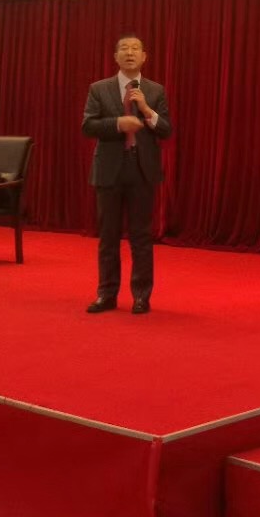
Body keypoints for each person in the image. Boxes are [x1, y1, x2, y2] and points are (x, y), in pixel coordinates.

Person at [82, 33, 172, 314]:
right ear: (116, 57)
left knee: (141, 237)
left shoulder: (155, 91)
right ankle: (106, 294)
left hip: (141, 170)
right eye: (124, 48)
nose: (129, 53)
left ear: (144, 57)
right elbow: (88, 126)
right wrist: (118, 124)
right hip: (109, 170)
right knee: (108, 237)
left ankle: (141, 296)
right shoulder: (99, 88)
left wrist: (146, 110)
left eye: (135, 49)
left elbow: (166, 130)